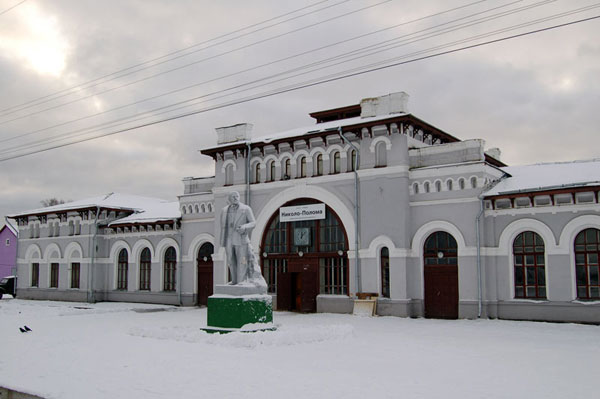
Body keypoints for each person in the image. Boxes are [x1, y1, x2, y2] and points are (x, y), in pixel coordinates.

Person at [219, 191, 266, 287]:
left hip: (241, 238)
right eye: (233, 196)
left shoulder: (245, 209)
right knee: (230, 260)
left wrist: (244, 227)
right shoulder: (224, 210)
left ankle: (242, 280)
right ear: (229, 199)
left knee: (242, 260)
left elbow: (253, 223)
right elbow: (223, 225)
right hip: (228, 239)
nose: (235, 198)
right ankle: (234, 280)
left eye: (237, 196)